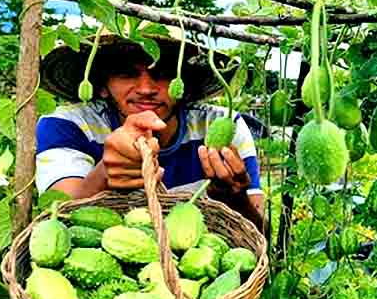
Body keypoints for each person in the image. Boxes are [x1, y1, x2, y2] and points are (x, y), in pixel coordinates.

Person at [36, 25, 264, 228]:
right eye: (126, 73)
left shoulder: (224, 124)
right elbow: (59, 219)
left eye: (162, 73)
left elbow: (259, 233)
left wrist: (234, 198)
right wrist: (103, 175)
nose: (146, 89)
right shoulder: (67, 126)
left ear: (184, 83)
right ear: (103, 84)